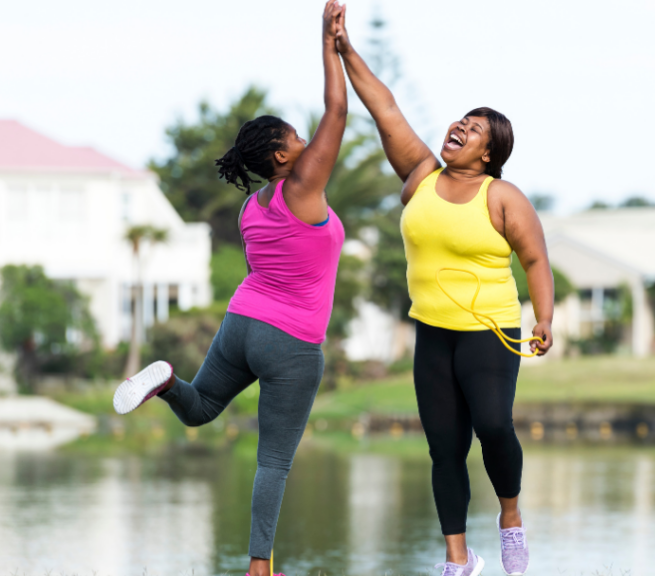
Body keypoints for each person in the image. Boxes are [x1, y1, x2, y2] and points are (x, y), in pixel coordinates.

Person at [111, 3, 348, 575]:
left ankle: (167, 380)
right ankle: (260, 567)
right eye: (296, 137)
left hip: (242, 323)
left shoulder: (252, 206)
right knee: (273, 462)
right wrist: (329, 42)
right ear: (282, 155)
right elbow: (338, 110)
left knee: (200, 409)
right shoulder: (302, 187)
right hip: (290, 341)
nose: (305, 140)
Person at [330, 5, 554, 576]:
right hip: (432, 334)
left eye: (473, 128)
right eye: (460, 120)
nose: (459, 128)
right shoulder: (421, 179)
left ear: (489, 152)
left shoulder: (503, 197)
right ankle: (457, 559)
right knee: (444, 448)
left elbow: (534, 258)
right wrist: (346, 48)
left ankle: (510, 518)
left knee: (495, 427)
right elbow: (386, 110)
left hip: (490, 332)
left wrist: (544, 319)